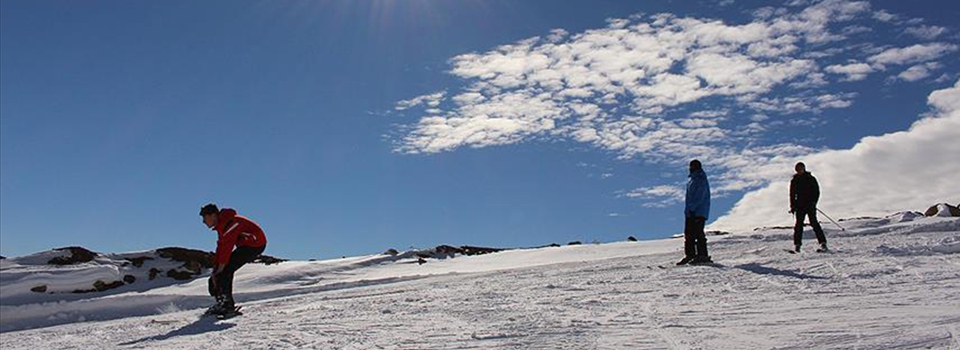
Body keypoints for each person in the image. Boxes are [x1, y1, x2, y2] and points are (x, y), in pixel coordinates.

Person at [200, 203, 267, 314]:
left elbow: (227, 247)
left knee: (225, 270)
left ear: (212, 215)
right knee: (219, 272)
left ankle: (226, 305)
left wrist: (220, 267)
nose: (203, 221)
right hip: (247, 245)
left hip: (255, 244)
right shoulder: (222, 224)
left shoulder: (229, 223)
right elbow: (221, 246)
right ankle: (222, 302)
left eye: (204, 217)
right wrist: (216, 268)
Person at [678, 159, 712, 265]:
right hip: (690, 211)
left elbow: (699, 196)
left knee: (697, 233)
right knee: (689, 234)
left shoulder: (700, 178)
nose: (690, 168)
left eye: (693, 166)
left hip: (698, 211)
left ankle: (702, 255)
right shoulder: (692, 179)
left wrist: (693, 208)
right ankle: (690, 255)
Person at [789, 162, 828, 253]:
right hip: (799, 206)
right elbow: (792, 194)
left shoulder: (810, 178)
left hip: (810, 205)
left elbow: (816, 192)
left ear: (804, 168)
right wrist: (792, 205)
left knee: (814, 223)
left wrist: (814, 203)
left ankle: (823, 243)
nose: (799, 170)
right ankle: (797, 245)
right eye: (798, 168)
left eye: (800, 168)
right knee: (798, 225)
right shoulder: (794, 180)